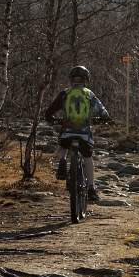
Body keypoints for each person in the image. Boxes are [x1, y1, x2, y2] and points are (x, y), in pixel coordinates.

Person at [44, 65, 111, 202]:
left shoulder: (65, 93)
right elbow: (102, 110)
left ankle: (62, 162)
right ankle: (91, 188)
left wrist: (51, 119)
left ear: (71, 79)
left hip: (67, 133)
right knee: (88, 158)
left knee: (62, 145)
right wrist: (105, 119)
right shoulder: (89, 94)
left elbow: (49, 111)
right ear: (86, 80)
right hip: (84, 134)